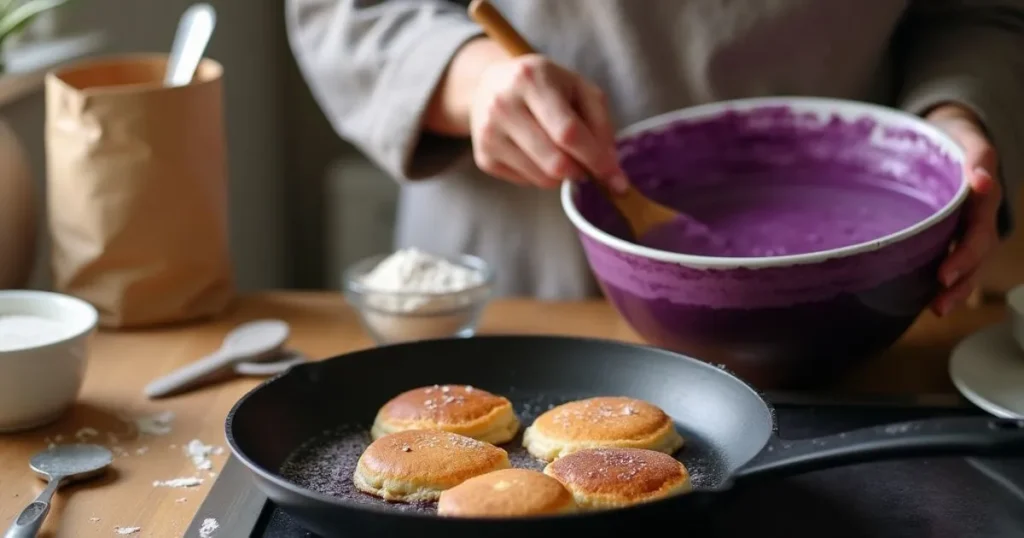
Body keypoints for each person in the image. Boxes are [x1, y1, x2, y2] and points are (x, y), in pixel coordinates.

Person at [285, 0, 1020, 316]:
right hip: (530, 291)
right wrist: (472, 80)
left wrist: (955, 115)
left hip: (860, 304)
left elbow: (975, 14)